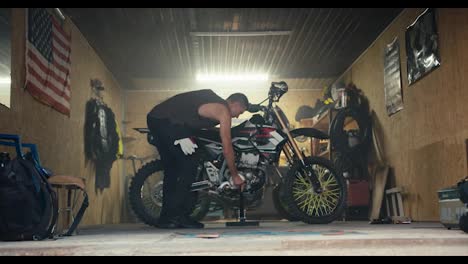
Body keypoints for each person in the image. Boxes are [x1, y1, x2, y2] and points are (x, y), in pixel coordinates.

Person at [147, 89, 249, 229]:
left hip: (156, 118)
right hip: (167, 122)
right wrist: (235, 175)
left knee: (172, 170)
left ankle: (167, 218)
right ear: (235, 103)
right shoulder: (222, 110)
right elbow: (227, 145)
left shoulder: (212, 103)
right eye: (240, 111)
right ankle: (180, 216)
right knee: (189, 165)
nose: (238, 116)